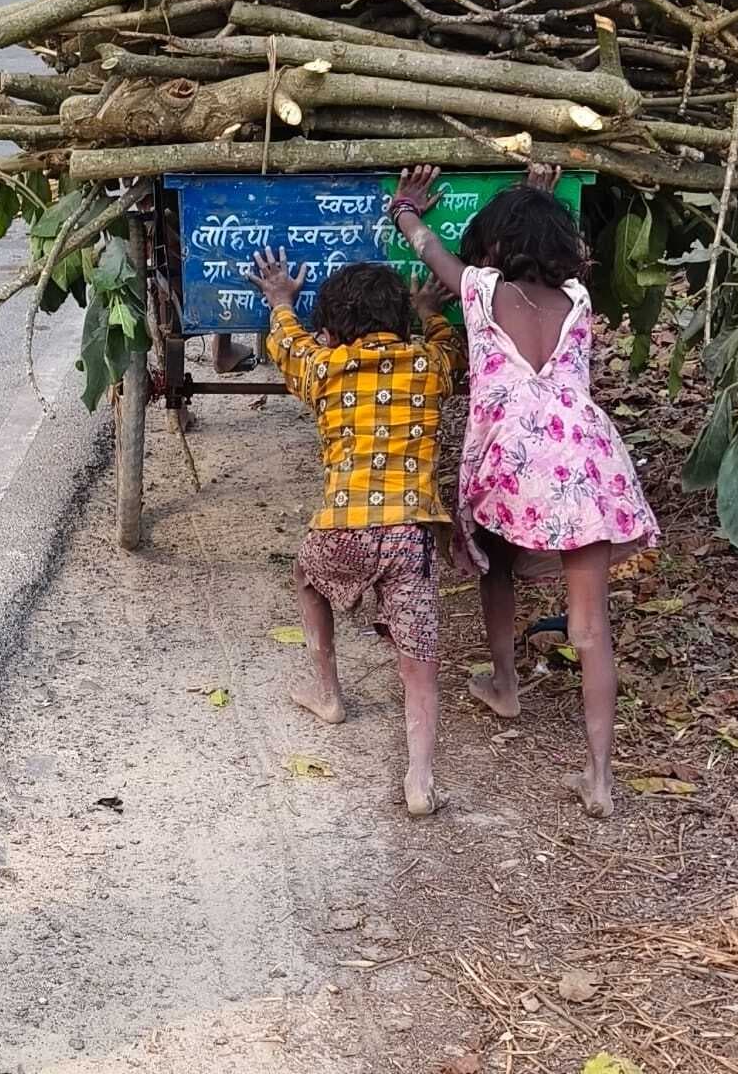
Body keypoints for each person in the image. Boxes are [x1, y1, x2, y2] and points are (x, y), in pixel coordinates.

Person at [388, 163, 659, 818]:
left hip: (510, 465)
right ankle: (598, 780)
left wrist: (404, 206)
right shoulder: (578, 300)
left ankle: (505, 682)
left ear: (495, 248)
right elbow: (542, 247)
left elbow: (426, 245)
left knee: (493, 566)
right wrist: (538, 196)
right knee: (591, 630)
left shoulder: (482, 292)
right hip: (587, 463)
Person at [248, 252, 461, 817]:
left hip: (342, 525)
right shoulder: (429, 364)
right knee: (420, 655)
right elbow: (451, 349)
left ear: (337, 324)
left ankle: (328, 692)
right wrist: (430, 313)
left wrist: (280, 301)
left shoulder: (327, 366)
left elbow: (288, 345)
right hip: (409, 533)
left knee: (306, 576)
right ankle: (419, 777)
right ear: (401, 319)